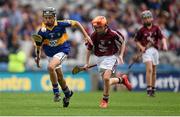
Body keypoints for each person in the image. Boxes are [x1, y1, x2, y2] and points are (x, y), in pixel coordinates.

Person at [32, 7, 93, 107]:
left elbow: (77, 23)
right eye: (45, 18)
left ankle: (56, 93)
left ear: (54, 17)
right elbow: (38, 46)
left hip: (62, 51)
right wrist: (37, 57)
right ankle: (68, 93)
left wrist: (86, 36)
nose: (47, 20)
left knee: (50, 67)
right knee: (60, 77)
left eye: (50, 17)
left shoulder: (61, 24)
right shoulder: (42, 31)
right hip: (50, 55)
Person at [84, 16, 132, 108]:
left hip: (111, 57)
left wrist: (121, 55)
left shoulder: (113, 34)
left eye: (99, 27)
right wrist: (87, 62)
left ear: (105, 26)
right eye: (95, 27)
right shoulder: (94, 35)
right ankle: (122, 80)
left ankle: (105, 100)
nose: (97, 29)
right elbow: (89, 49)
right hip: (99, 59)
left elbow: (123, 42)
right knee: (107, 83)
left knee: (106, 79)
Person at [134, 10, 168, 97]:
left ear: (151, 18)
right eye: (145, 18)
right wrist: (141, 47)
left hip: (155, 50)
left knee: (154, 71)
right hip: (146, 51)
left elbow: (162, 37)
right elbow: (136, 40)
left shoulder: (156, 28)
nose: (147, 20)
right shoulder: (141, 30)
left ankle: (153, 88)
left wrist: (164, 45)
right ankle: (148, 88)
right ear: (143, 20)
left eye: (148, 18)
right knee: (149, 70)